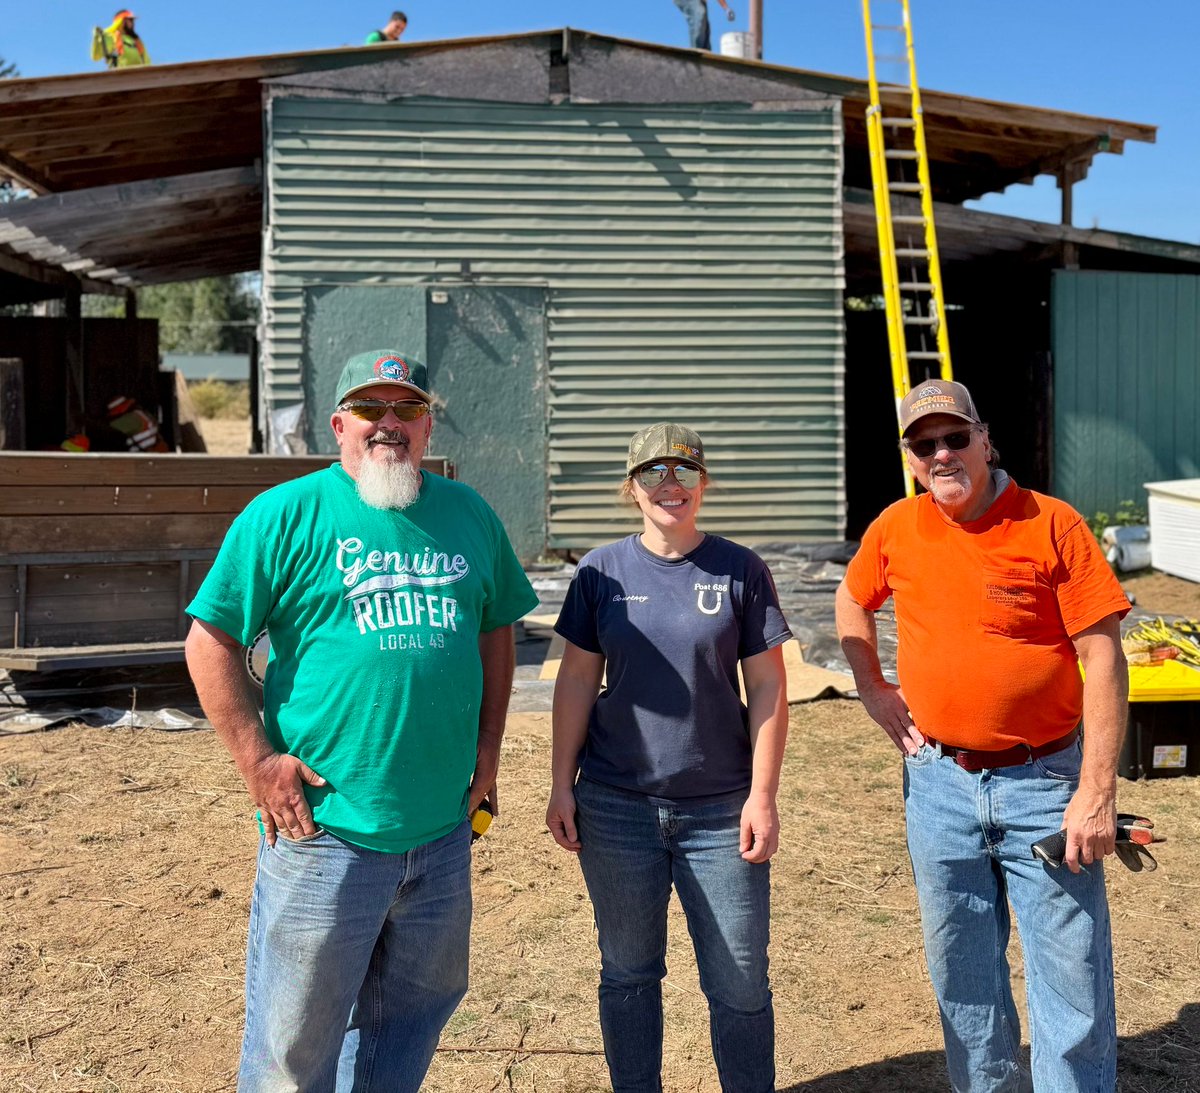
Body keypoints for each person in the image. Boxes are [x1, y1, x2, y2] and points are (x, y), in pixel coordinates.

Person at [185, 349, 537, 1092]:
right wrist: (258, 762)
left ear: (427, 423)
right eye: (370, 410)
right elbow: (208, 640)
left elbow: (496, 624)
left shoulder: (467, 513)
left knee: (405, 1028)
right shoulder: (286, 514)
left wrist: (489, 746)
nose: (389, 424)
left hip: (441, 833)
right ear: (338, 425)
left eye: (406, 409)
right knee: (292, 1050)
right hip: (324, 832)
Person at [835, 380, 1130, 1092]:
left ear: (985, 438)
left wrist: (1096, 790)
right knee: (963, 975)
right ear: (910, 457)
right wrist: (873, 686)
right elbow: (850, 597)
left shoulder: (1051, 523)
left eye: (954, 437)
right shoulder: (895, 528)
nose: (941, 454)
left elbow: (1104, 656)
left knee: (1071, 974)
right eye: (923, 443)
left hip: (1046, 784)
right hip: (938, 785)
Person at [547, 422, 791, 1092]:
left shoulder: (740, 569)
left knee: (740, 979)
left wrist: (761, 795)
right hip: (616, 805)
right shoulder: (601, 571)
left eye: (683, 471)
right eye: (653, 473)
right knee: (628, 972)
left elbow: (768, 685)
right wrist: (560, 784)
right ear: (632, 488)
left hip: (721, 810)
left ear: (703, 484)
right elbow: (575, 680)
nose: (670, 485)